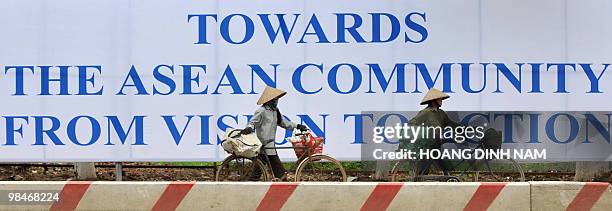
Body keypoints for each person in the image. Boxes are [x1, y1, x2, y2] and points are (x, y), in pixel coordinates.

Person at [241, 86, 308, 181]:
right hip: (263, 143)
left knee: (259, 169)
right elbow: (252, 122)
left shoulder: (275, 111)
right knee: (277, 166)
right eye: (275, 99)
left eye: (277, 99)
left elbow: (284, 123)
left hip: (270, 143)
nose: (276, 101)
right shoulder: (262, 111)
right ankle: (283, 183)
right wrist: (249, 128)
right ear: (269, 100)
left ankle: (251, 183)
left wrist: (297, 126)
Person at [401, 88, 461, 175]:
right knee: (425, 169)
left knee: (443, 165)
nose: (441, 101)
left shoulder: (441, 113)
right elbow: (411, 124)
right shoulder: (426, 113)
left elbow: (451, 124)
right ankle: (420, 182)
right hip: (426, 146)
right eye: (439, 99)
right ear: (433, 101)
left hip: (436, 144)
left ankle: (447, 178)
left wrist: (465, 129)